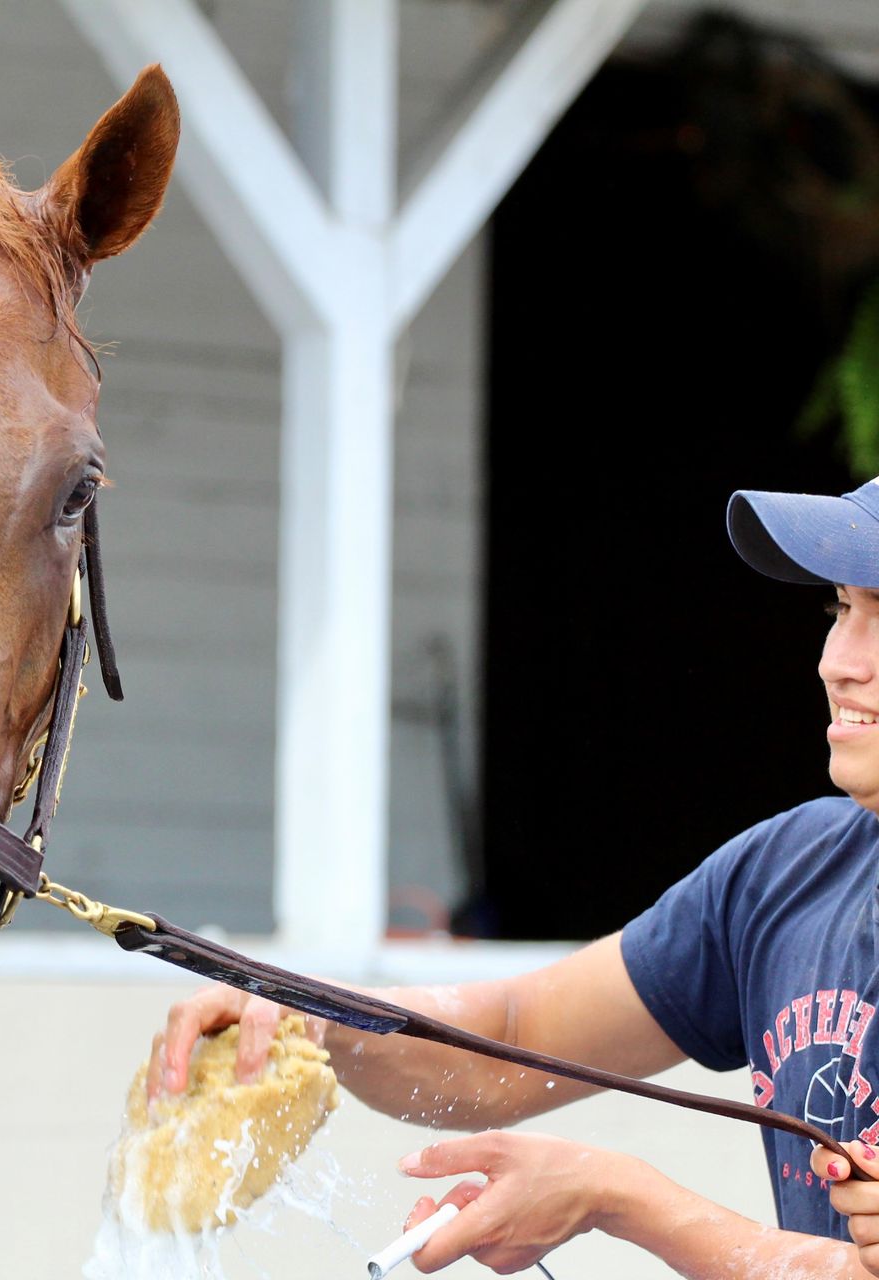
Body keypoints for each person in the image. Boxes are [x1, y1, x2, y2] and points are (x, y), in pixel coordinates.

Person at [149, 478, 879, 1277]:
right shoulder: (786, 873)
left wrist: (614, 1195)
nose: (837, 662)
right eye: (841, 609)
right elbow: (511, 1039)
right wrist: (313, 1014)